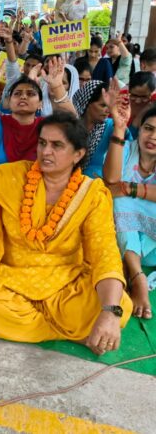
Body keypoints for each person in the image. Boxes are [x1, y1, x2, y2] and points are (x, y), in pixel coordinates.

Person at [0, 90, 132, 355]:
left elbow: (105, 252)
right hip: (9, 277)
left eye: (57, 146)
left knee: (120, 306)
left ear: (77, 154)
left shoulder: (92, 194)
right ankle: (66, 332)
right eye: (42, 143)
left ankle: (37, 326)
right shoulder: (17, 174)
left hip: (65, 285)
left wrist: (109, 312)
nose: (45, 152)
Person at [103, 103, 156, 320]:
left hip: (150, 249)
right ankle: (137, 276)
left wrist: (129, 188)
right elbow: (112, 181)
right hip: (124, 233)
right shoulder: (125, 148)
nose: (153, 136)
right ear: (140, 129)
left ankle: (130, 266)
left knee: (122, 196)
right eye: (149, 128)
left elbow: (119, 187)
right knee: (119, 203)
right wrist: (118, 128)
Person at [0, 58, 76, 165]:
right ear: (9, 101)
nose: (23, 96)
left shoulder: (46, 127)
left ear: (40, 103)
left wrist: (57, 87)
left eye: (30, 94)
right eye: (17, 93)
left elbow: (73, 124)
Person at [72, 79, 120, 178]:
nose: (108, 111)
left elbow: (132, 144)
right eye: (103, 105)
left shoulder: (111, 126)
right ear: (87, 103)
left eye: (109, 106)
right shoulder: (71, 127)